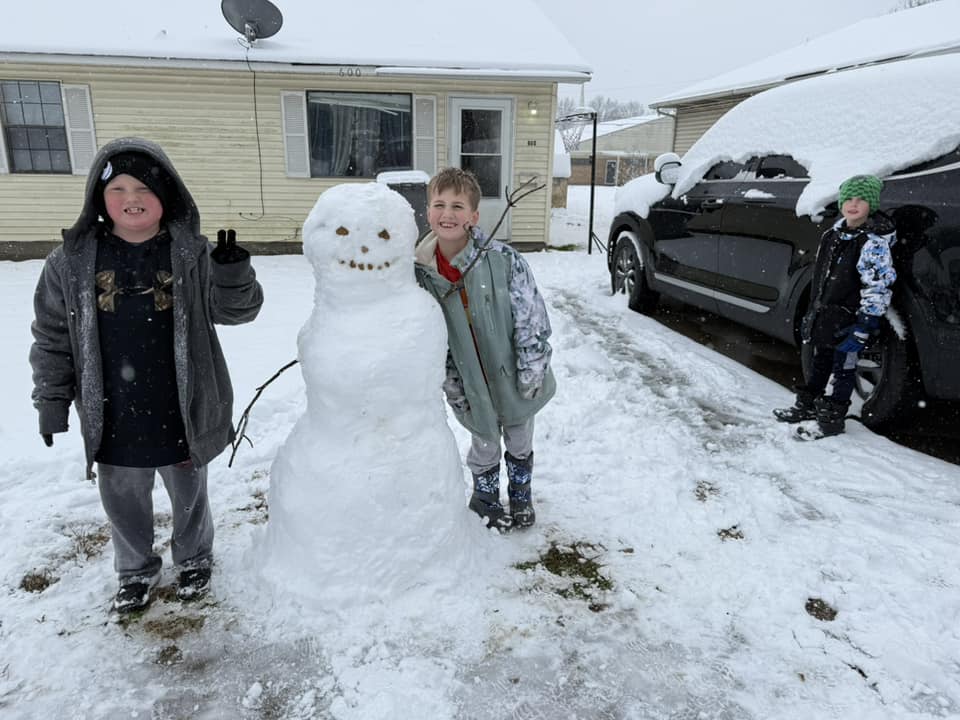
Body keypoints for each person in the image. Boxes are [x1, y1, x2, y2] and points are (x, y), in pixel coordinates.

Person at [29, 137, 263, 614]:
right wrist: (51, 400)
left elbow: (238, 313)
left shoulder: (191, 254)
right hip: (112, 409)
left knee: (189, 491)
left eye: (144, 188)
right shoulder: (70, 262)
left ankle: (194, 558)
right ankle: (134, 570)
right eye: (117, 188)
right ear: (99, 197)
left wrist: (232, 275)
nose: (131, 199)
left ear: (167, 195)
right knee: (122, 498)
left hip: (181, 404)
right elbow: (52, 335)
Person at [414, 167, 556, 530]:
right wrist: (452, 384)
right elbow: (427, 337)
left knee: (519, 436)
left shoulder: (503, 260)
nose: (447, 214)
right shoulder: (420, 274)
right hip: (468, 376)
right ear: (427, 211)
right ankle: (486, 496)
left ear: (474, 216)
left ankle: (520, 493)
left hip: (512, 370)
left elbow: (530, 316)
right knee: (484, 440)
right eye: (439, 204)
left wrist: (531, 368)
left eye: (458, 206)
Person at [774, 174, 896, 440]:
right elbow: (821, 279)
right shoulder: (832, 235)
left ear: (872, 204)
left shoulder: (873, 243)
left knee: (844, 370)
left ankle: (832, 419)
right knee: (820, 361)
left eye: (861, 200)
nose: (853, 204)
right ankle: (809, 404)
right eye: (848, 199)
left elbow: (877, 285)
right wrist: (813, 312)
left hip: (850, 321)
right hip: (826, 315)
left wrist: (865, 324)